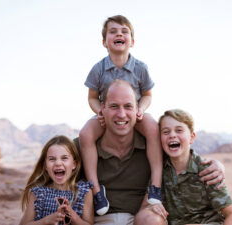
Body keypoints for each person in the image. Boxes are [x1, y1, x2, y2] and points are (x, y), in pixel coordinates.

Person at [75, 80, 225, 225]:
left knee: (153, 219)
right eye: (114, 106)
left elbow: (183, 156)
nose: (121, 114)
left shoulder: (153, 144)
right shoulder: (83, 146)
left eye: (128, 106)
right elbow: (54, 163)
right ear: (103, 108)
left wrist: (217, 165)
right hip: (99, 221)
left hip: (140, 217)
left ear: (137, 109)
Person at [79, 15, 163, 215]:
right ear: (104, 41)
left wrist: (141, 108)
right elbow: (91, 97)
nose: (119, 34)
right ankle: (97, 190)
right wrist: (99, 110)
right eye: (113, 31)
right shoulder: (98, 69)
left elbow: (147, 95)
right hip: (107, 114)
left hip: (134, 113)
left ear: (132, 41)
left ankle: (156, 185)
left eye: (124, 31)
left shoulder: (140, 68)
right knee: (85, 135)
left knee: (153, 127)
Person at [144, 109, 232, 225]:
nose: (172, 135)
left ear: (192, 137)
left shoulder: (208, 170)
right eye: (166, 132)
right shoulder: (159, 171)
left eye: (179, 130)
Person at [19, 135, 94, 225]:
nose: (58, 163)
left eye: (64, 158)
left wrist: (72, 215)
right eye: (52, 159)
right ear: (45, 166)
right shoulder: (38, 193)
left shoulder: (84, 192)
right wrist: (45, 221)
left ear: (74, 164)